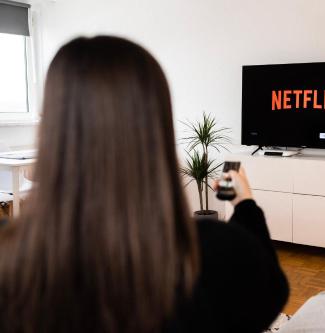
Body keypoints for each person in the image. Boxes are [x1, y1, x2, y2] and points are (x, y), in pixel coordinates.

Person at [0, 36, 288, 333]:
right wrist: (245, 204)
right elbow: (270, 292)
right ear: (155, 127)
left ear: (53, 128)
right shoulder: (215, 253)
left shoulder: (10, 258)